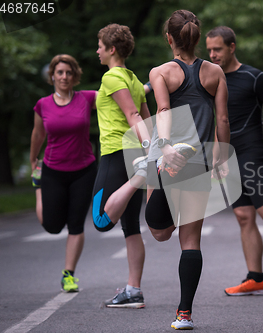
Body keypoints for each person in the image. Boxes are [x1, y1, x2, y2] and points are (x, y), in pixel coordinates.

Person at [145, 10, 230, 330]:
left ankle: (184, 313)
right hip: (200, 163)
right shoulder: (215, 73)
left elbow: (164, 109)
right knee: (188, 239)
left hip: (169, 161)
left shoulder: (161, 72)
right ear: (196, 37)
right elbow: (223, 119)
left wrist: (165, 146)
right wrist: (221, 159)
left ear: (170, 38)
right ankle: (185, 315)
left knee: (159, 231)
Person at [206, 26, 263, 296]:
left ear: (232, 47)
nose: (213, 55)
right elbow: (217, 121)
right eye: (209, 50)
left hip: (250, 151)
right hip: (228, 155)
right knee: (243, 215)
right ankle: (256, 278)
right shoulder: (211, 79)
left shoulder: (254, 77)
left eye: (218, 49)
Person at [91, 23, 152, 309]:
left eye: (100, 46)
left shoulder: (112, 78)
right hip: (133, 154)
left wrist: (150, 154)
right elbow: (146, 118)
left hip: (117, 153)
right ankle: (133, 290)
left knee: (102, 220)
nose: (97, 51)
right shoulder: (134, 79)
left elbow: (132, 115)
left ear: (112, 49)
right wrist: (152, 146)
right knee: (130, 227)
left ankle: (138, 178)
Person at [30, 54, 98, 293]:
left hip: (83, 170)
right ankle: (38, 190)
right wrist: (33, 161)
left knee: (75, 224)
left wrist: (150, 86)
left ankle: (68, 274)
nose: (64, 76)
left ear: (75, 75)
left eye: (69, 72)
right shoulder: (43, 104)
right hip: (52, 171)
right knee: (52, 226)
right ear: (52, 76)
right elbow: (38, 135)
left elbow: (117, 96)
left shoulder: (86, 98)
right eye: (60, 72)